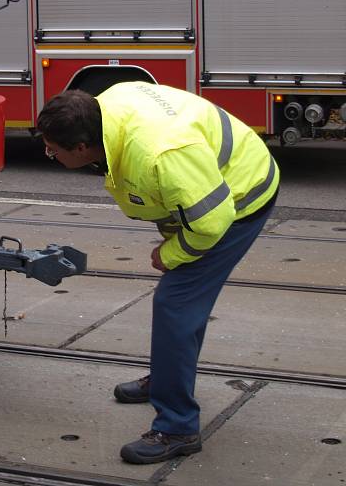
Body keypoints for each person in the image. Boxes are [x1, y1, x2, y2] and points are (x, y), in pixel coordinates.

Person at [36, 82, 279, 464]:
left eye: (53, 150)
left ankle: (178, 427)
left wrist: (172, 252)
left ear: (82, 148)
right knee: (181, 305)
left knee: (175, 303)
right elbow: (175, 195)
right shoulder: (106, 110)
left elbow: (212, 223)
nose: (48, 153)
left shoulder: (159, 154)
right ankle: (168, 377)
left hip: (239, 198)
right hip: (205, 184)